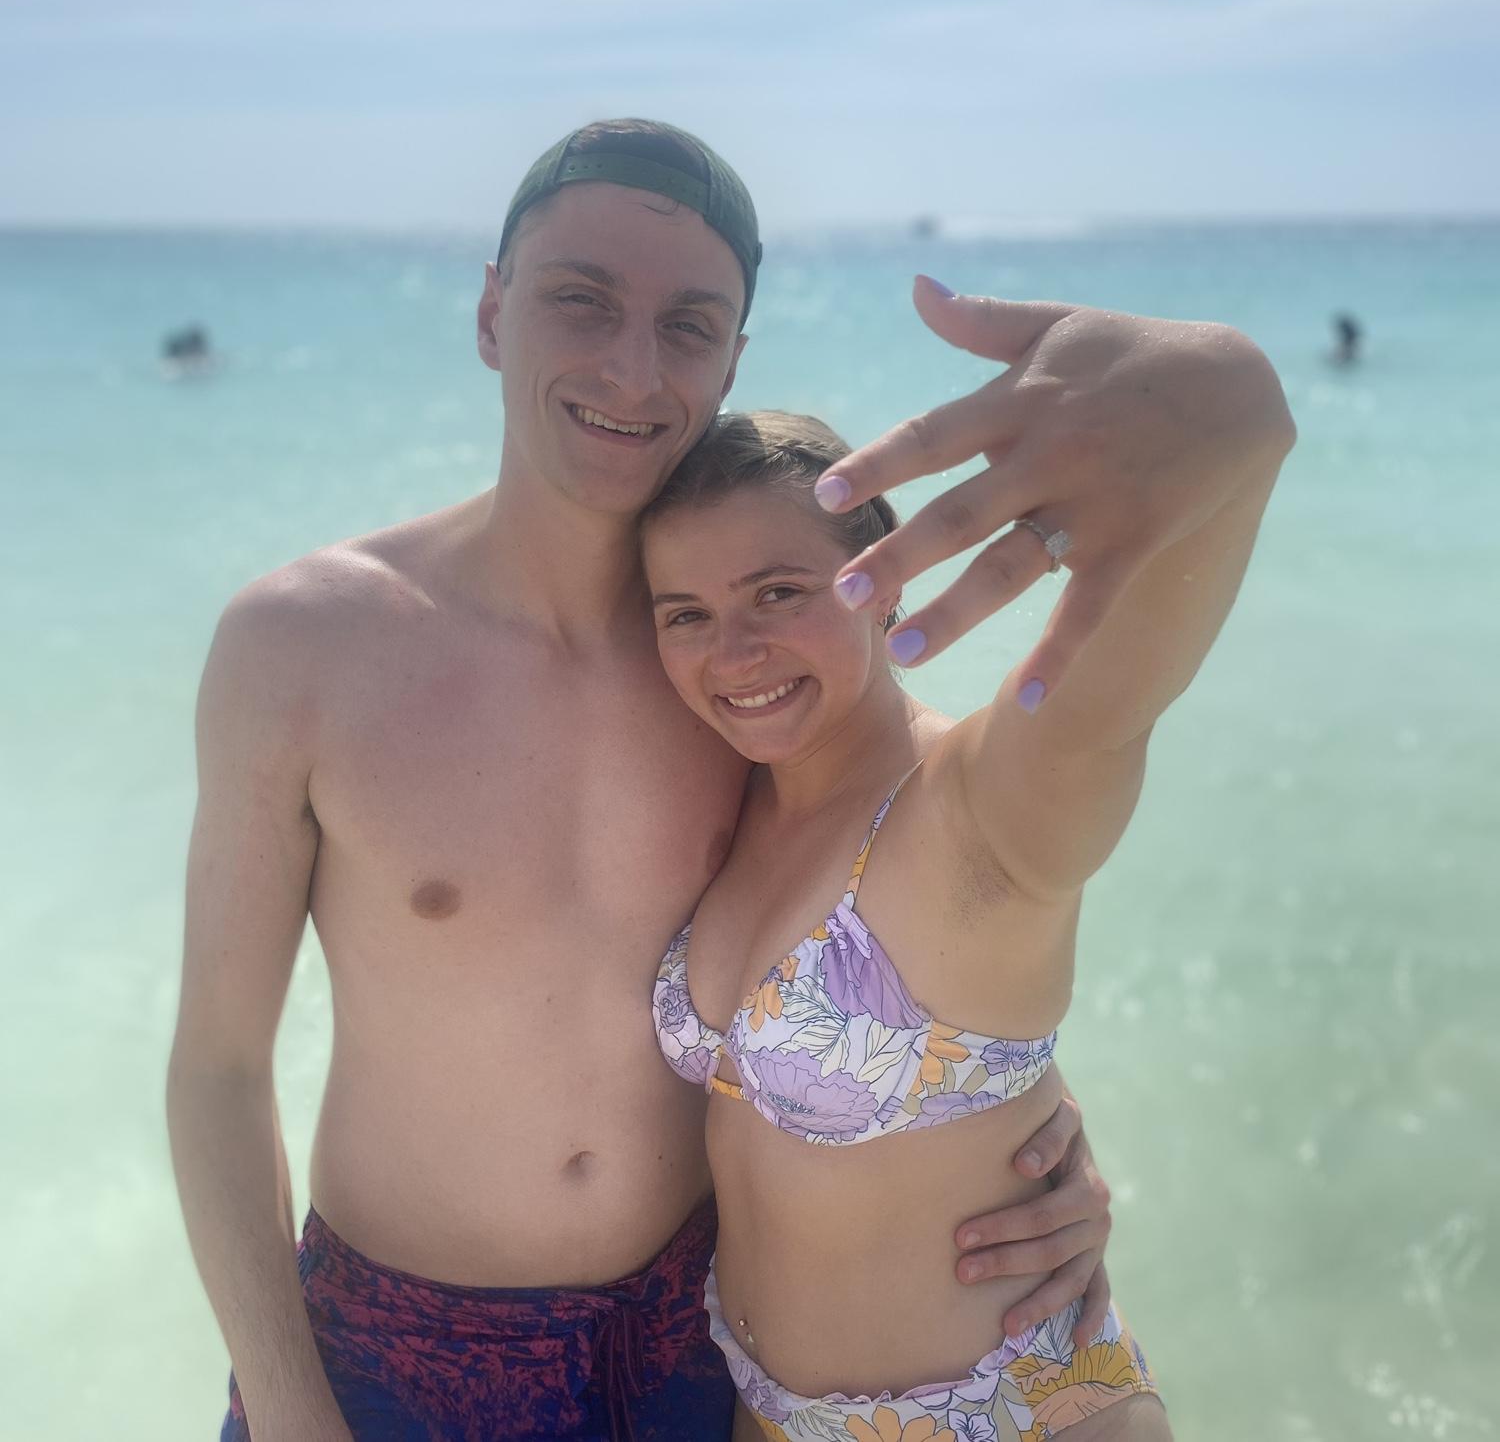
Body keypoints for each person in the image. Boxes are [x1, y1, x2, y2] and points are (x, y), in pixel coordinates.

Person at [166, 118, 1292, 1441]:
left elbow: (925, 890)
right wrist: (287, 1408)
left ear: (730, 362)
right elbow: (219, 1066)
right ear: (490, 312)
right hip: (398, 1353)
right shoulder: (305, 646)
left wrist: (1020, 1121)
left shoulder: (731, 684)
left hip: (696, 1352)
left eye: (689, 325)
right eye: (580, 300)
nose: (632, 365)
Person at [642, 400, 1290, 1440]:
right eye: (686, 614)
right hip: (764, 1414)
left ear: (885, 582)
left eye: (779, 592)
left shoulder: (972, 813)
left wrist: (1223, 405)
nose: (736, 654)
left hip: (1010, 1415)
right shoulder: (725, 798)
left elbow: (1112, 700)